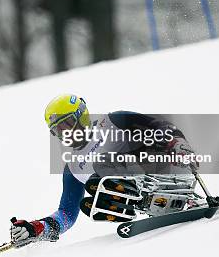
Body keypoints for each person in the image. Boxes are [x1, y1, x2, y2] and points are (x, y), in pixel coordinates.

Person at [10, 94, 198, 245]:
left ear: (81, 117)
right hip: (145, 198)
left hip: (167, 170)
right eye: (58, 130)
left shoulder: (113, 121)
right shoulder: (72, 168)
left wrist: (177, 143)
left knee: (101, 164)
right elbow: (66, 214)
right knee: (92, 194)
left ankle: (179, 197)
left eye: (66, 125)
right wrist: (37, 228)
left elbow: (158, 126)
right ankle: (147, 202)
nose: (64, 134)